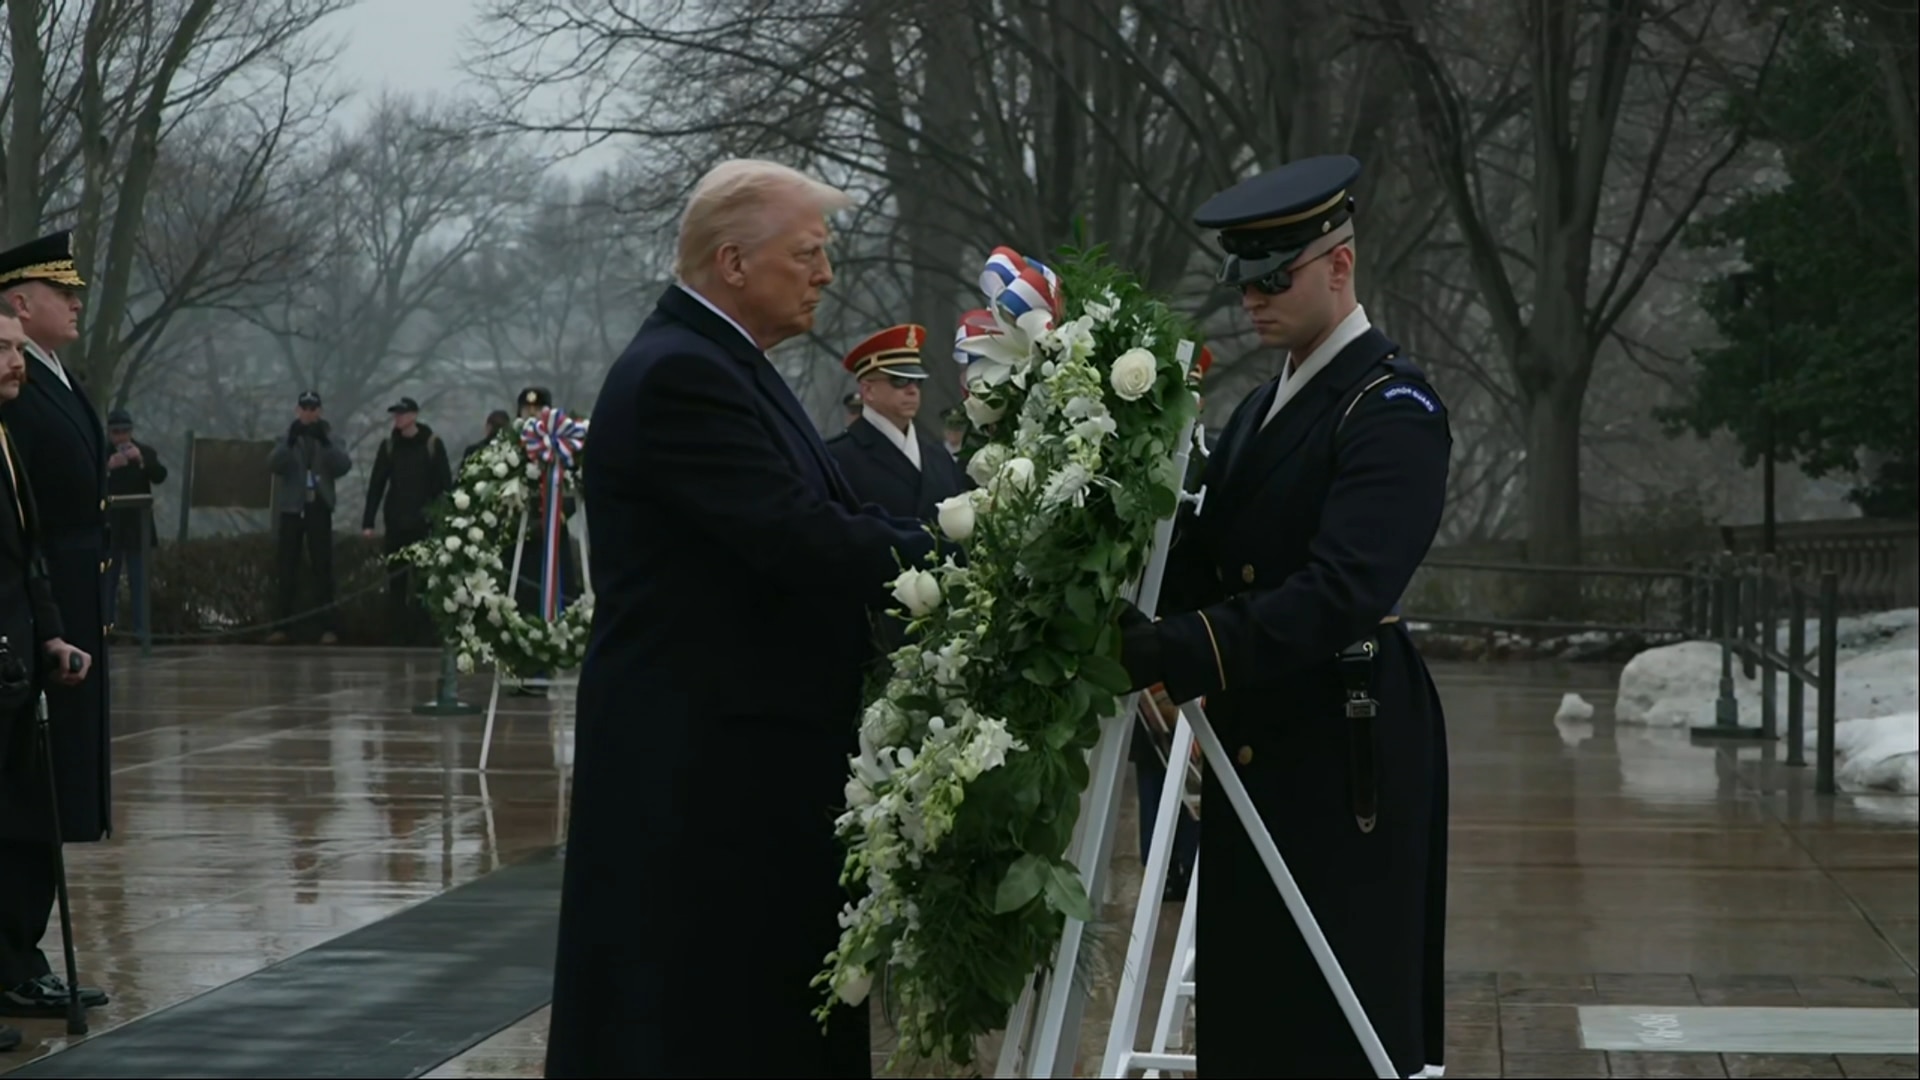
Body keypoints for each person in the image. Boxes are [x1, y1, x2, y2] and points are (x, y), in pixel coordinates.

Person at [546, 158, 945, 1079]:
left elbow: (831, 516)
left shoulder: (724, 362)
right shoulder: (684, 374)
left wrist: (946, 537)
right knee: (698, 1023)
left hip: (738, 760)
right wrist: (960, 558)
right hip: (701, 777)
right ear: (733, 262)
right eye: (807, 253)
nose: (826, 273)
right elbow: (797, 535)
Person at [1115, 155, 1451, 1079]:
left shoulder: (1392, 408)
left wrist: (1183, 647)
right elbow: (1215, 553)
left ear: (1340, 265)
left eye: (1276, 278)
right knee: (1259, 1007)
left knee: (1334, 1015)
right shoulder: (1270, 402)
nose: (1254, 300)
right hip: (1266, 735)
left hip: (1346, 742)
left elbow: (1346, 586)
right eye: (1244, 281)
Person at [0, 239, 107, 1022]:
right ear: (16, 301)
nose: (75, 302)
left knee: (46, 794)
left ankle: (18, 951)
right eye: (56, 291)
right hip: (28, 613)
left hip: (51, 611)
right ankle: (13, 956)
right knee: (27, 794)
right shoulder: (21, 391)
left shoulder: (54, 379)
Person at [1131, 347, 1214, 903]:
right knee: (1154, 763)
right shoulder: (1139, 459)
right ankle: (1163, 869)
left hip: (1196, 631)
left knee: (1198, 761)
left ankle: (1194, 862)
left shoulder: (1212, 459)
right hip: (1146, 629)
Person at [824, 324, 969, 524]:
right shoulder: (837, 459)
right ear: (868, 391)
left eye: (917, 381)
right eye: (899, 381)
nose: (912, 390)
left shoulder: (938, 457)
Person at [361, 396, 453, 647]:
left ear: (413, 415)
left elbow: (444, 486)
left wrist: (445, 520)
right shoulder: (389, 446)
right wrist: (368, 521)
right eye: (395, 414)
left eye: (402, 414)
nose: (398, 419)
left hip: (424, 524)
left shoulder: (432, 444)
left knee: (424, 583)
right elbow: (377, 485)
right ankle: (397, 634)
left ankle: (424, 633)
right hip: (396, 523)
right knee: (397, 584)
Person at [508, 387, 580, 696]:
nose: (532, 415)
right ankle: (521, 669)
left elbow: (576, 491)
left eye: (538, 410)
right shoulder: (511, 449)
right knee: (519, 602)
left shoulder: (564, 447)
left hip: (551, 539)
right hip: (522, 541)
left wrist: (555, 514)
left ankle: (542, 669)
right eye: (526, 409)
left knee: (548, 604)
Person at [265, 390, 352, 645]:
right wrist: (291, 441)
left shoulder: (332, 438)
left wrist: (325, 443)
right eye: (304, 408)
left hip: (319, 506)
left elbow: (343, 466)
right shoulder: (285, 437)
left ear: (320, 411)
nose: (309, 413)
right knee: (287, 567)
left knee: (322, 567)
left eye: (313, 408)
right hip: (292, 508)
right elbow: (273, 465)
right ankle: (281, 625)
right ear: (297, 410)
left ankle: (328, 627)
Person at [103, 408, 167, 640]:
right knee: (108, 582)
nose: (121, 437)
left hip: (137, 527)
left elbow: (160, 475)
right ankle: (107, 629)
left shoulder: (145, 452)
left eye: (125, 431)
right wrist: (108, 468)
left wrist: (140, 460)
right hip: (111, 528)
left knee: (139, 582)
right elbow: (86, 480)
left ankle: (141, 631)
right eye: (116, 432)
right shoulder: (100, 453)